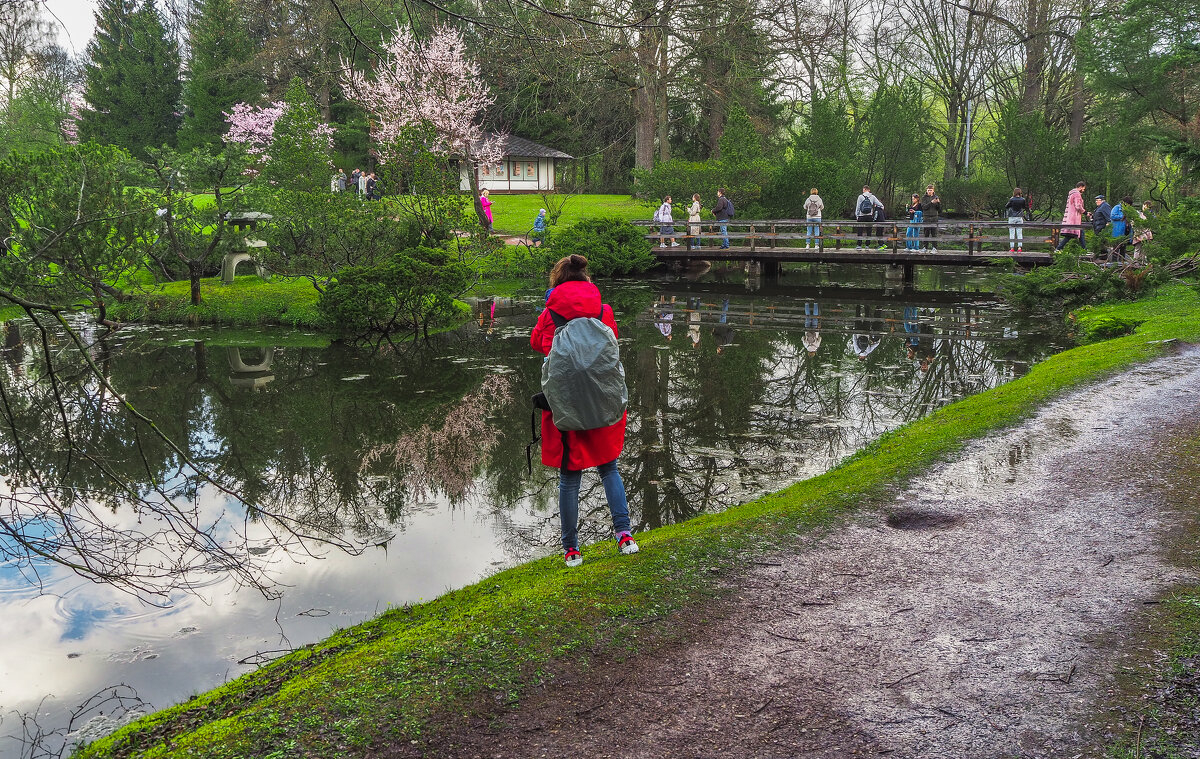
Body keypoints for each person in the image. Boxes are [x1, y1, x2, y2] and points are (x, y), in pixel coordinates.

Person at [530, 255, 638, 566]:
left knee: (569, 477)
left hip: (565, 406)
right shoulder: (603, 310)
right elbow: (612, 341)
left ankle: (572, 550)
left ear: (558, 281)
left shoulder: (551, 313)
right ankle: (624, 535)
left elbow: (538, 343)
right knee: (609, 468)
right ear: (586, 279)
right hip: (602, 400)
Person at [1057, 181, 1087, 250]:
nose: (1083, 190)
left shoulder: (1071, 194)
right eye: (1083, 188)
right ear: (1080, 187)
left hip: (1071, 218)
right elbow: (1078, 206)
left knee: (1081, 233)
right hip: (1074, 219)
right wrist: (1085, 212)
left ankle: (1084, 249)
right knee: (1069, 235)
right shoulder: (1077, 194)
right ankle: (1058, 248)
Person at [854, 185, 883, 249]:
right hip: (869, 216)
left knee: (860, 231)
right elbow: (879, 204)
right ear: (869, 190)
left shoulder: (860, 196)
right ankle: (867, 245)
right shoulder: (872, 197)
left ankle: (859, 245)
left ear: (864, 189)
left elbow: (858, 207)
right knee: (869, 231)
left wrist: (857, 215)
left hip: (861, 216)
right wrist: (882, 207)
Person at [918, 185, 941, 252]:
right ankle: (925, 247)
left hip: (934, 217)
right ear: (926, 190)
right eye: (928, 190)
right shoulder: (924, 198)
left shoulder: (936, 197)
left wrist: (938, 203)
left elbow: (939, 209)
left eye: (931, 190)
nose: (929, 191)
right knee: (926, 233)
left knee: (934, 233)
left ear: (933, 190)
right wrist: (931, 203)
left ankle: (934, 248)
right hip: (926, 217)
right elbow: (924, 207)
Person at [1004, 187, 1028, 253]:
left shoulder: (1012, 199)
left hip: (1012, 217)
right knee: (1019, 232)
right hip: (1019, 217)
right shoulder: (1023, 199)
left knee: (1012, 232)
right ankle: (1019, 248)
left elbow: (1006, 206)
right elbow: (1024, 207)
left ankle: (1012, 248)